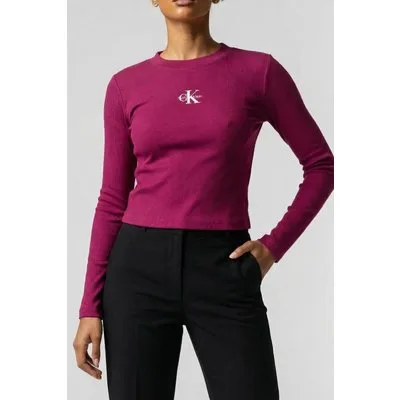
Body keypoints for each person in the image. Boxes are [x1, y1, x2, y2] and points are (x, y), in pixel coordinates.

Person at [72, 0, 334, 399]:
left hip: (223, 266)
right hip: (136, 270)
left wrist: (272, 247)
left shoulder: (258, 72)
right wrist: (90, 305)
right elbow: (112, 198)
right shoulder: (126, 85)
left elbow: (320, 166)